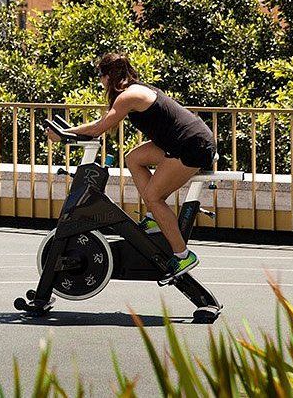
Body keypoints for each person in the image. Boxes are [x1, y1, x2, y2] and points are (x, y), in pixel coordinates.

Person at [46, 51, 216, 275]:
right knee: (134, 158)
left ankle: (182, 255)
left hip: (192, 148)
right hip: (186, 143)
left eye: (101, 76)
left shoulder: (128, 96)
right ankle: (155, 218)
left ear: (108, 76)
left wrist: (65, 133)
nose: (101, 81)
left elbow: (99, 128)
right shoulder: (137, 89)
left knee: (153, 197)